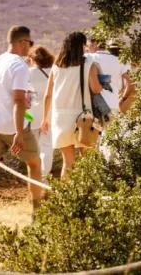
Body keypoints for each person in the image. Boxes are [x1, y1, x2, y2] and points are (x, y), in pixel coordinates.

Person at [0, 26, 44, 224]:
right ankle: (36, 213)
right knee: (34, 164)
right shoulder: (19, 67)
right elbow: (19, 100)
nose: (31, 47)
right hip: (14, 127)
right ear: (22, 43)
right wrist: (19, 133)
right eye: (30, 43)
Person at [41, 31, 103, 180]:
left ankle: (67, 193)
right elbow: (96, 89)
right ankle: (88, 191)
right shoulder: (88, 64)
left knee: (67, 163)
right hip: (83, 118)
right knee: (88, 161)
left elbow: (48, 95)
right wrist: (102, 84)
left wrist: (45, 119)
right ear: (81, 46)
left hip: (60, 118)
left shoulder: (57, 66)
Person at [27, 45, 55, 180]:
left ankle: (34, 176)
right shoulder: (53, 72)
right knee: (47, 147)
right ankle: (43, 177)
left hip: (31, 114)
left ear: (32, 59)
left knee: (33, 148)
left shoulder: (28, 73)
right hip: (49, 113)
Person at [87, 36, 134, 115]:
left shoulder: (87, 58)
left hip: (90, 108)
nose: (87, 49)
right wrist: (123, 99)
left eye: (88, 45)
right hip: (113, 106)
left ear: (95, 44)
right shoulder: (121, 61)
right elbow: (131, 82)